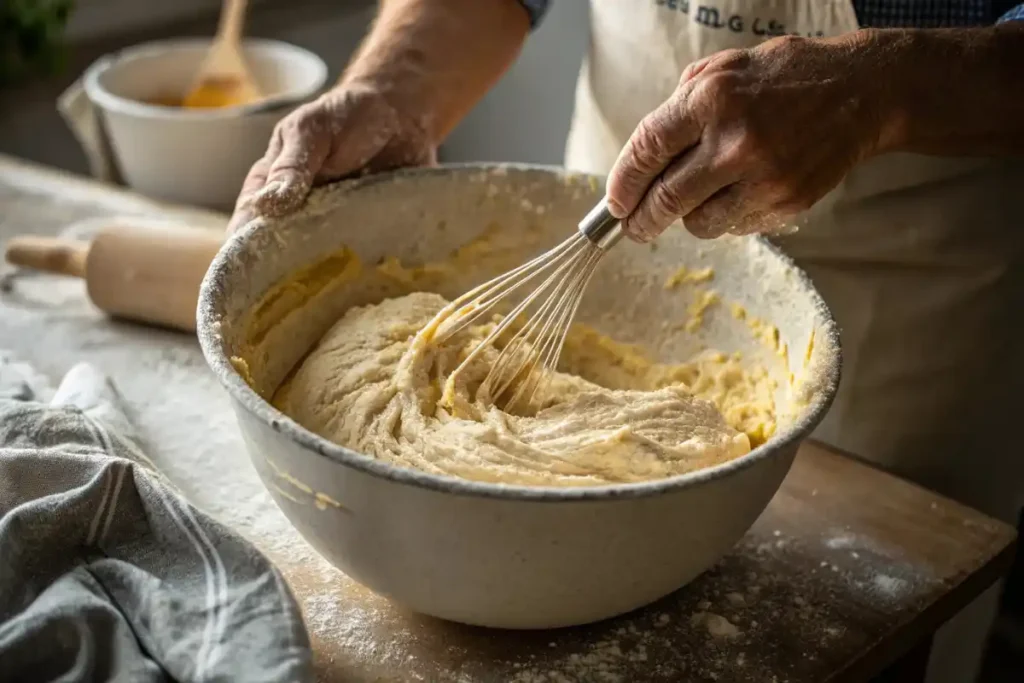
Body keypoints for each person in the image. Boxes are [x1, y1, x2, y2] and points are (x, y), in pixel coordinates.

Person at [229, 2, 1024, 681]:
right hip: (624, 215)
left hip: (917, 283)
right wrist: (392, 84)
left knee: (884, 615)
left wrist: (881, 90)